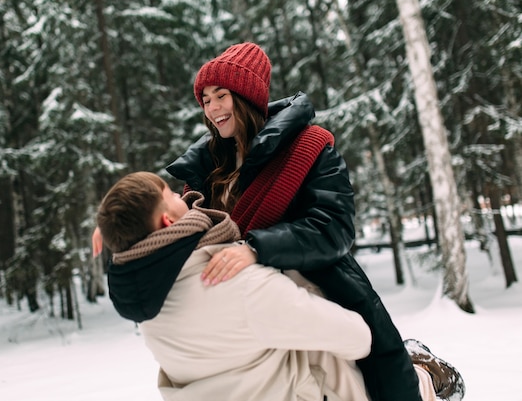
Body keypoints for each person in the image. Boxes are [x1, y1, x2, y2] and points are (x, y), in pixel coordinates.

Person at [164, 42, 465, 401]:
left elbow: (334, 228)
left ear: (246, 96)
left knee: (365, 390)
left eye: (221, 96)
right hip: (241, 303)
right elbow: (178, 226)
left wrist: (257, 249)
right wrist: (123, 222)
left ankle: (426, 375)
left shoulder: (308, 148)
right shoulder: (207, 168)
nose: (212, 109)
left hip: (315, 290)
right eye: (206, 100)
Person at [97, 171, 453, 401]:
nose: (182, 194)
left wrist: (117, 231)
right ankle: (431, 379)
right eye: (171, 193)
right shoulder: (236, 285)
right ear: (167, 220)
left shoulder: (149, 309)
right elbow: (358, 337)